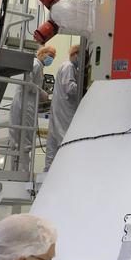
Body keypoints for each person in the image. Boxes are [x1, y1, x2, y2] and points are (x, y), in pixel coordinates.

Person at [6, 44, 55, 170]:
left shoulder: (37, 65)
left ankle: (15, 171)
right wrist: (40, 92)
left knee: (18, 140)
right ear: (42, 53)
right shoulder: (36, 64)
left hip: (24, 103)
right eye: (50, 56)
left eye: (53, 57)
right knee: (25, 139)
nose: (51, 59)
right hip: (25, 105)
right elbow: (27, 82)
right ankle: (22, 172)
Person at [44, 42, 80, 170]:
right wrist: (85, 87)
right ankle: (64, 170)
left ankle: (48, 172)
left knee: (53, 143)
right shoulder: (68, 66)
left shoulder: (67, 66)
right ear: (76, 54)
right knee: (65, 139)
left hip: (59, 109)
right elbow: (70, 88)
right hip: (65, 110)